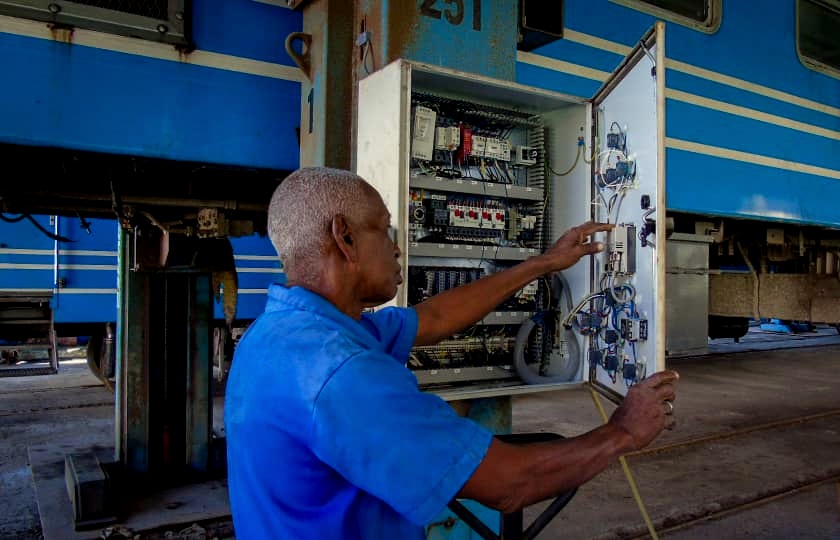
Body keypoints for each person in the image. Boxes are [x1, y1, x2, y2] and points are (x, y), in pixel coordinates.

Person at [225, 167, 679, 539]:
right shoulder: (341, 373)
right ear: (344, 237)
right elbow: (510, 484)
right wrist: (624, 432)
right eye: (385, 230)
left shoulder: (284, 334)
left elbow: (437, 318)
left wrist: (543, 263)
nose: (397, 247)